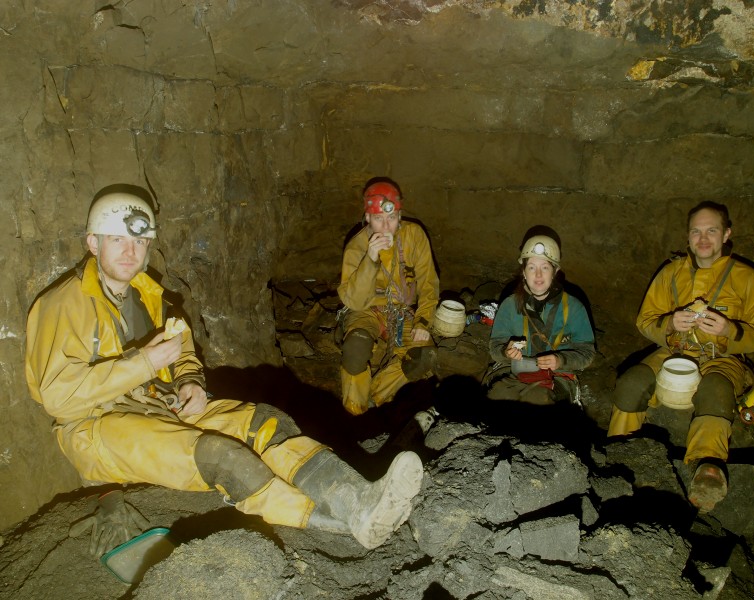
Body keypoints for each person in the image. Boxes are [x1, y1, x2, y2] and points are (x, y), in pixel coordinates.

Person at [25, 186, 424, 556]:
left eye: (140, 243)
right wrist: (143, 363)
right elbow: (58, 398)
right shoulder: (63, 305)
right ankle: (342, 523)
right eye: (119, 240)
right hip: (97, 425)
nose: (131, 252)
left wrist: (189, 381)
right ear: (92, 243)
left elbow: (180, 349)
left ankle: (359, 499)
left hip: (158, 405)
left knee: (267, 422)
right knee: (222, 456)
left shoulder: (148, 293)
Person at [607, 201, 754, 513]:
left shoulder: (744, 276)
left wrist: (731, 330)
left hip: (722, 358)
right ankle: (618, 453)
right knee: (631, 384)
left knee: (715, 389)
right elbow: (645, 321)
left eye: (711, 230)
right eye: (696, 232)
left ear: (726, 234)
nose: (703, 238)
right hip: (673, 352)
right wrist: (669, 323)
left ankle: (706, 467)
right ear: (687, 237)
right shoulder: (671, 273)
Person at [337, 178, 439, 415]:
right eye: (378, 219)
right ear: (368, 218)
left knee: (424, 356)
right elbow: (354, 301)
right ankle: (354, 411)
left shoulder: (414, 236)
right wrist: (370, 259)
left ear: (400, 217)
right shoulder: (357, 247)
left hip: (401, 312)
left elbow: (428, 283)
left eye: (391, 219)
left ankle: (375, 395)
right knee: (355, 348)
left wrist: (423, 320)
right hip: (366, 311)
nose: (385, 227)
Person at [485, 234, 595, 405]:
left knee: (539, 401)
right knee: (496, 399)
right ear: (523, 271)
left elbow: (587, 353)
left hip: (557, 375)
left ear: (555, 271)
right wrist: (505, 353)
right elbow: (494, 347)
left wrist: (561, 360)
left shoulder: (574, 308)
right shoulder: (509, 305)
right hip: (513, 370)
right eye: (531, 267)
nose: (537, 275)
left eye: (544, 267)